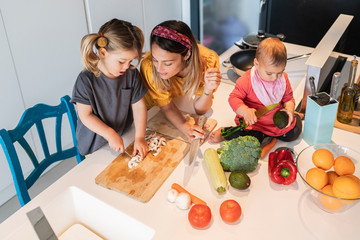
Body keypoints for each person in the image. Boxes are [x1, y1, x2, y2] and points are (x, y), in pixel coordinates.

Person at [71, 19, 148, 157]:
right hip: (96, 146)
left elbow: (139, 106)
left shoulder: (131, 74)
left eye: (130, 61)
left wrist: (140, 137)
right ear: (103, 53)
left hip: (124, 136)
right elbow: (85, 115)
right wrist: (110, 134)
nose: (127, 66)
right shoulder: (85, 80)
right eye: (121, 61)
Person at [140, 20, 221, 142]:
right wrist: (185, 126)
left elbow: (200, 110)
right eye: (155, 59)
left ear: (187, 55)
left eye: (168, 63)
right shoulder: (149, 67)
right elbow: (166, 107)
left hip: (177, 104)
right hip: (149, 111)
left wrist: (208, 90)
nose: (159, 68)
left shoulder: (207, 61)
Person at [209, 38, 302, 144]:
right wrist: (245, 111)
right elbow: (233, 98)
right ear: (256, 64)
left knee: (294, 133)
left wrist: (289, 110)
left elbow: (288, 98)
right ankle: (225, 133)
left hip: (274, 124)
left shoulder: (283, 79)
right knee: (251, 140)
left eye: (280, 72)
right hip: (254, 124)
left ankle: (273, 130)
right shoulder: (247, 81)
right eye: (269, 73)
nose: (275, 77)